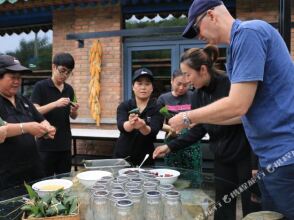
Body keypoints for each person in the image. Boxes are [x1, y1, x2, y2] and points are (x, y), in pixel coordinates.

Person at [168, 0, 294, 218]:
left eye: (197, 28)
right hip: (272, 157)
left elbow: (237, 104)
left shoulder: (248, 33)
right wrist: (197, 121)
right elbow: (242, 114)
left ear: (211, 15)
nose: (199, 36)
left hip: (284, 153)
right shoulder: (238, 45)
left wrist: (188, 117)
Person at [154, 45, 260, 219]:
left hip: (246, 156)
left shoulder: (231, 84)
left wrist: (256, 163)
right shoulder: (197, 95)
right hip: (221, 155)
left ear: (202, 70)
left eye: (188, 75)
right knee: (223, 204)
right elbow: (199, 129)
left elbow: (249, 119)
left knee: (251, 206)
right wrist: (170, 147)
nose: (187, 81)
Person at [0, 54, 56, 190]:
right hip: (8, 178)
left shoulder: (23, 101)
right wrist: (26, 128)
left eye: (19, 78)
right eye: (13, 77)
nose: (17, 82)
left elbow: (41, 120)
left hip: (34, 172)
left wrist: (47, 128)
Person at [31, 53, 79, 177]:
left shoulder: (69, 89)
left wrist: (74, 111)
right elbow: (34, 112)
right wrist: (55, 104)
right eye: (62, 71)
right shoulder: (40, 87)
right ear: (53, 67)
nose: (65, 75)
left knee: (64, 182)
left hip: (64, 144)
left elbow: (74, 116)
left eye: (69, 72)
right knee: (44, 181)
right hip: (45, 144)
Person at [157, 69, 202, 185]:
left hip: (192, 141)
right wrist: (170, 129)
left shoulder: (194, 96)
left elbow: (200, 119)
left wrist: (189, 124)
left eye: (185, 85)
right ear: (172, 81)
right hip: (172, 140)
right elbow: (158, 123)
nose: (182, 88)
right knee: (171, 178)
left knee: (193, 178)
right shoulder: (163, 99)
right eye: (179, 84)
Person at [113, 68, 164, 166]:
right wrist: (131, 123)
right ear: (133, 86)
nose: (143, 87)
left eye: (147, 84)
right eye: (139, 83)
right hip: (123, 156)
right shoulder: (125, 105)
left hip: (145, 157)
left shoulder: (157, 107)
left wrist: (142, 126)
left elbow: (153, 131)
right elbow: (121, 126)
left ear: (152, 87)